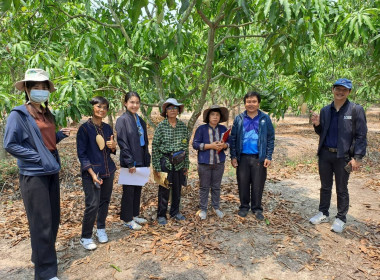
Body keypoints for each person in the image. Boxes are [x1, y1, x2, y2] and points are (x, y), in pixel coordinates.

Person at [3, 68, 71, 280]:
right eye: (36, 87)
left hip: (50, 170)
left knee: (54, 219)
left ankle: (42, 256)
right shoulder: (19, 114)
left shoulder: (46, 113)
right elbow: (10, 144)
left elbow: (43, 142)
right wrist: (37, 158)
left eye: (44, 88)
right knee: (41, 222)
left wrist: (58, 136)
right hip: (34, 174)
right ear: (27, 90)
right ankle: (45, 272)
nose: (41, 91)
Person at [309, 78, 367, 233]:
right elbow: (323, 133)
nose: (340, 92)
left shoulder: (355, 110)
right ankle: (323, 212)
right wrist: (317, 125)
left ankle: (341, 218)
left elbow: (361, 135)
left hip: (344, 157)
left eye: (344, 90)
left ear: (349, 92)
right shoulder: (325, 111)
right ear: (332, 90)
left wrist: (358, 157)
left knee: (342, 188)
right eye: (338, 89)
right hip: (325, 154)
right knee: (325, 186)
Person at [76, 96, 117, 250]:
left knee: (104, 201)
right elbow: (82, 155)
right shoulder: (84, 129)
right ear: (92, 107)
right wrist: (93, 174)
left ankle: (100, 229)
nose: (102, 110)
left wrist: (113, 146)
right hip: (92, 173)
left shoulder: (107, 128)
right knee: (92, 204)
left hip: (108, 170)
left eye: (105, 107)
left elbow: (110, 151)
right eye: (99, 106)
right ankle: (85, 236)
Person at [230, 91, 275, 221]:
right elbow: (233, 138)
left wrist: (268, 156)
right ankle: (244, 207)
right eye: (248, 101)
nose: (251, 104)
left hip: (258, 157)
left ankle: (257, 208)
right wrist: (233, 156)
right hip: (242, 157)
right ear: (245, 103)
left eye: (254, 101)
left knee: (258, 184)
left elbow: (270, 137)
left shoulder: (264, 118)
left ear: (258, 103)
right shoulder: (239, 119)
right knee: (243, 183)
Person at [115, 92, 150, 230]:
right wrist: (130, 162)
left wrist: (146, 159)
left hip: (141, 157)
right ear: (125, 103)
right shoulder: (122, 120)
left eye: (137, 102)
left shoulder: (140, 120)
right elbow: (123, 142)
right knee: (129, 191)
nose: (134, 105)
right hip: (130, 160)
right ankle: (127, 219)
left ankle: (134, 214)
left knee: (137, 188)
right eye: (131, 102)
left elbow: (144, 141)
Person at [152, 98, 190, 225]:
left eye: (175, 108)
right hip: (165, 161)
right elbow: (155, 147)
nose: (172, 110)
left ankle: (175, 212)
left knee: (177, 189)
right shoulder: (161, 127)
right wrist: (157, 166)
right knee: (164, 188)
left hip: (179, 162)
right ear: (166, 111)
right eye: (170, 108)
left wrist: (186, 165)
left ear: (178, 111)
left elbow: (185, 147)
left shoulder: (182, 127)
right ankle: (161, 214)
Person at [193, 105, 229, 220]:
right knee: (204, 187)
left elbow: (230, 143)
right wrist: (211, 146)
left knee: (216, 186)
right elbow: (195, 144)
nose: (215, 117)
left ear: (220, 117)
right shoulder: (201, 129)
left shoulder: (223, 129)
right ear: (208, 117)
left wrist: (224, 145)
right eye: (212, 114)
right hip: (204, 163)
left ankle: (216, 207)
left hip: (219, 163)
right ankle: (203, 209)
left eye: (217, 115)